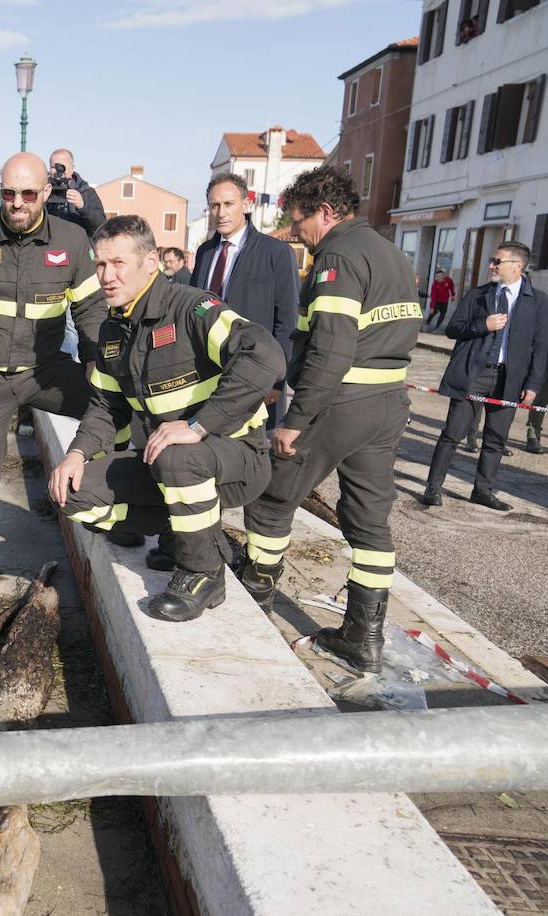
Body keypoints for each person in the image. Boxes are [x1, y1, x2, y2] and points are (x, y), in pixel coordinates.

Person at [47, 215, 283, 622]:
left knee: (176, 454)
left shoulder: (192, 309)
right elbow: (106, 408)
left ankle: (202, 573)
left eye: (118, 263)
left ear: (151, 261)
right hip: (169, 467)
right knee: (73, 493)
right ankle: (188, 534)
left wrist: (198, 426)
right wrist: (77, 454)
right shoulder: (113, 329)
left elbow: (264, 355)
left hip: (238, 459)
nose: (107, 275)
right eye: (100, 265)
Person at [239, 166, 422, 674]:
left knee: (274, 495)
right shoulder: (389, 252)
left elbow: (331, 348)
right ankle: (364, 638)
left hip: (342, 401)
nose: (295, 232)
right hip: (387, 403)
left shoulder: (337, 256)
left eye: (299, 221)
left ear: (325, 212)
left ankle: (256, 591)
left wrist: (296, 420)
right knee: (369, 519)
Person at [0, 152, 106, 618]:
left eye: (27, 194)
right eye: (8, 193)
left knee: (120, 418)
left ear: (45, 194)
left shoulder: (73, 241)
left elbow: (91, 315)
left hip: (48, 370)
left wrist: (100, 370)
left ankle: (123, 515)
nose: (17, 203)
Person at [418, 241, 545, 510]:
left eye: (497, 261)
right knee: (453, 433)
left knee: (496, 438)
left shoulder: (539, 301)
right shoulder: (478, 294)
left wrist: (532, 385)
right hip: (474, 374)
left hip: (508, 379)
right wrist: (482, 326)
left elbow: (540, 346)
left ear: (517, 266)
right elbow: (453, 328)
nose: (491, 266)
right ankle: (433, 487)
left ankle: (483, 490)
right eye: (492, 260)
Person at [191, 173, 300, 429]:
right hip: (208, 376)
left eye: (228, 204)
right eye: (215, 205)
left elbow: (287, 322)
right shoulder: (205, 252)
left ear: (246, 205)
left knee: (253, 454)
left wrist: (276, 381)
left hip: (257, 375)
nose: (221, 212)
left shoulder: (276, 252)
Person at [47, 148, 107, 237]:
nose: (57, 171)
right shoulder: (44, 191)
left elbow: (101, 227)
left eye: (61, 167)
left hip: (78, 247)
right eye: (53, 167)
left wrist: (83, 207)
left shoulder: (86, 192)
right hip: (51, 247)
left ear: (72, 168)